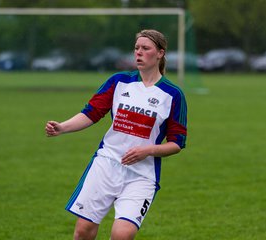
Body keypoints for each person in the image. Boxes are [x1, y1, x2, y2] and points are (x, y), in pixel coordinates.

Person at [45, 29, 187, 240]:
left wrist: (147, 151)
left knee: (122, 235)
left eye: (145, 48)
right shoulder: (119, 81)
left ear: (160, 53)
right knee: (83, 231)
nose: (138, 52)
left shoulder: (172, 94)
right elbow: (91, 113)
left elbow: (177, 143)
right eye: (136, 48)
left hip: (141, 175)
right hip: (106, 165)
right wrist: (62, 127)